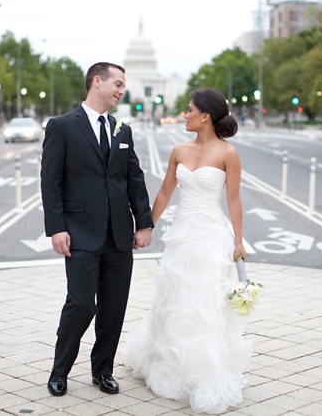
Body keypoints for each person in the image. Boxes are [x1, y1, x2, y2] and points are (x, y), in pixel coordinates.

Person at [125, 88, 251, 414]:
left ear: (205, 116)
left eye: (190, 109)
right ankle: (171, 363)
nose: (185, 113)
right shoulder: (179, 150)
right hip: (181, 235)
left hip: (211, 236)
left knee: (205, 301)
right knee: (176, 296)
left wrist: (239, 241)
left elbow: (233, 199)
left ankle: (203, 368)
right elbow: (166, 191)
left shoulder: (228, 153)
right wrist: (146, 226)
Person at [41, 62, 154, 397]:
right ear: (97, 82)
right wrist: (56, 228)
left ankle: (102, 370)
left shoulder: (123, 129)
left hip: (119, 234)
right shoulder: (62, 126)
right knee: (80, 304)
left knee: (113, 306)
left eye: (123, 85)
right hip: (79, 233)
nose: (122, 90)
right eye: (117, 84)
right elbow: (51, 182)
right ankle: (59, 370)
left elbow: (134, 178)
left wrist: (143, 223)